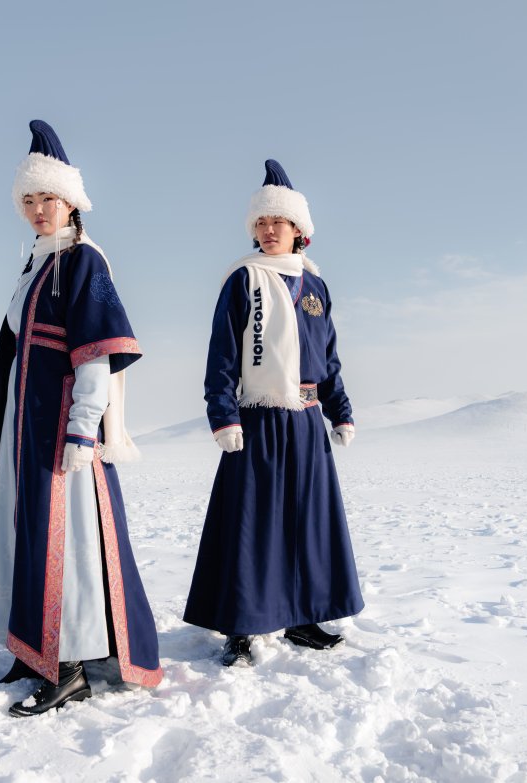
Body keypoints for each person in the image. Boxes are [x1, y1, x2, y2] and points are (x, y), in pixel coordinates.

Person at [0, 120, 162, 716]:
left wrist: (85, 425)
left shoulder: (83, 262)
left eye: (46, 198)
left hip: (61, 432)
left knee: (70, 543)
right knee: (26, 535)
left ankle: (72, 663)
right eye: (27, 200)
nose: (37, 209)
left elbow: (98, 353)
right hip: (23, 432)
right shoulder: (34, 266)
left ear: (71, 201)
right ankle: (33, 650)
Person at [183, 159, 364, 666]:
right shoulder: (243, 280)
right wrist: (223, 416)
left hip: (306, 421)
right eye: (260, 223)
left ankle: (304, 616)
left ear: (298, 231)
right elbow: (221, 354)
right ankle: (241, 627)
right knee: (252, 524)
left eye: (276, 223)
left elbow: (327, 358)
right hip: (259, 417)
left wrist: (340, 411)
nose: (266, 231)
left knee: (308, 521)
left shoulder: (316, 288)